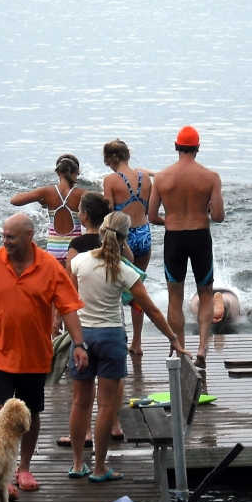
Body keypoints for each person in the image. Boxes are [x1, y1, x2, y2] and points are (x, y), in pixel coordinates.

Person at [0, 213, 86, 500]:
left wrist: (79, 343)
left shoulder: (49, 267)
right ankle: (1, 472)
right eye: (4, 236)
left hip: (34, 353)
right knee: (0, 412)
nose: (5, 241)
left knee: (30, 414)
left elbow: (68, 308)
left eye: (11, 237)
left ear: (29, 236)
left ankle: (24, 467)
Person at [68, 212, 186, 482]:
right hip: (110, 338)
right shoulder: (125, 271)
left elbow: (68, 300)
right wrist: (173, 339)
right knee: (105, 404)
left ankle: (77, 464)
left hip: (82, 337)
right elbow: (152, 310)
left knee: (80, 402)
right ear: (125, 239)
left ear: (101, 231)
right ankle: (99, 468)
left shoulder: (78, 262)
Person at [148, 126, 224, 369]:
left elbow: (151, 216)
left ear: (176, 146)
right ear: (198, 148)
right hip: (200, 236)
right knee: (205, 294)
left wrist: (171, 220)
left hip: (174, 238)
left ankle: (180, 348)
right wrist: (204, 212)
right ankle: (202, 348)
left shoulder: (161, 177)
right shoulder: (211, 177)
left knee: (175, 296)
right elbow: (219, 216)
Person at [56, 192, 127, 448]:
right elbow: (129, 268)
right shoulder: (114, 240)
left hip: (84, 322)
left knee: (83, 388)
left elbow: (68, 287)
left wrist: (58, 317)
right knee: (114, 378)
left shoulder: (77, 245)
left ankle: (85, 432)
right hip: (113, 319)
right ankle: (115, 425)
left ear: (84, 216)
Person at [102, 139, 154, 355]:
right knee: (137, 288)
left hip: (124, 237)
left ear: (109, 159)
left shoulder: (110, 180)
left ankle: (117, 337)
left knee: (114, 287)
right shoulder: (145, 177)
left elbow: (109, 214)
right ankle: (137, 342)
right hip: (144, 234)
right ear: (127, 155)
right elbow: (149, 209)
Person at [10, 154, 86, 267]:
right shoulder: (82, 194)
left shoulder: (47, 192)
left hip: (54, 248)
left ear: (58, 172)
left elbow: (15, 200)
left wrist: (39, 198)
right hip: (75, 248)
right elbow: (104, 204)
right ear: (76, 172)